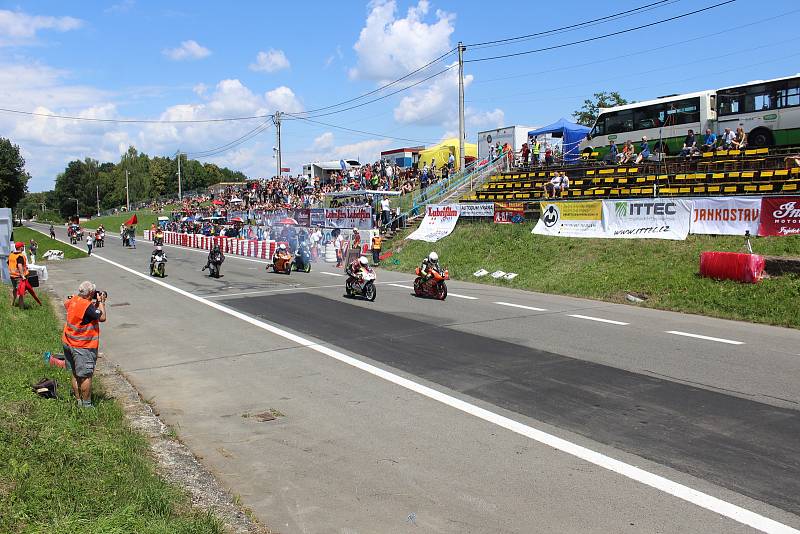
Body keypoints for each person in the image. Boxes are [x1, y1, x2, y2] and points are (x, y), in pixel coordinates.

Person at [62, 281, 107, 408]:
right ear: (91, 294)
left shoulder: (74, 300)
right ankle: (87, 406)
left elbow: (70, 304)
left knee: (75, 373)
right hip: (82, 346)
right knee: (86, 376)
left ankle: (78, 400)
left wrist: (94, 303)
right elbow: (102, 317)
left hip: (68, 341)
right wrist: (102, 302)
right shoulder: (87, 307)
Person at [8, 241, 28, 307]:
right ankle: (21, 306)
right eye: (23, 246)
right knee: (21, 292)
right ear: (21, 248)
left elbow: (9, 263)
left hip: (12, 275)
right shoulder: (20, 256)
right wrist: (22, 275)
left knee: (14, 289)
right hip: (18, 276)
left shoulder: (11, 255)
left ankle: (12, 303)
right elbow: (19, 265)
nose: (23, 247)